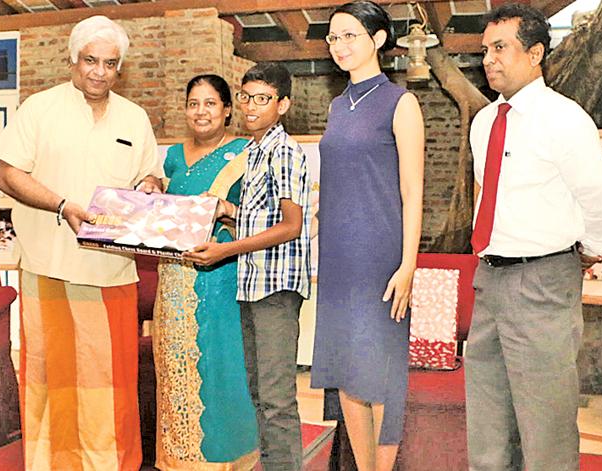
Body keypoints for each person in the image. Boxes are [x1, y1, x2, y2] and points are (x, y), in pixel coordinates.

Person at [0, 15, 162, 471]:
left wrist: (147, 186)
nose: (99, 72)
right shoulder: (39, 109)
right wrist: (61, 203)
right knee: (53, 382)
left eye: (109, 63)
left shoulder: (134, 117)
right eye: (90, 61)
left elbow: (150, 174)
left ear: (119, 67)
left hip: (113, 271)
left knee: (113, 384)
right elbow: (7, 175)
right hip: (50, 267)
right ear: (73, 58)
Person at [468, 4, 602, 470]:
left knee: (546, 434)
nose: (489, 59)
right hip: (488, 280)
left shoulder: (564, 119)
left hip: (542, 281)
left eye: (501, 48)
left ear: (535, 53)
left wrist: (589, 252)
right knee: (487, 428)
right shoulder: (483, 122)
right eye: (484, 50)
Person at [310, 2, 425, 470]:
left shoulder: (402, 102)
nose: (339, 46)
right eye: (333, 38)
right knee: (346, 372)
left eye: (350, 35)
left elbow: (413, 191)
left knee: (380, 376)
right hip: (338, 253)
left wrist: (409, 264)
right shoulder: (338, 106)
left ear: (378, 40)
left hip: (381, 255)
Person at [184, 63, 312, 471]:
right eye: (245, 97)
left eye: (263, 99)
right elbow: (261, 219)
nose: (251, 107)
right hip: (251, 283)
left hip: (275, 288)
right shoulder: (253, 151)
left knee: (276, 400)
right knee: (257, 392)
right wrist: (227, 212)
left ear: (283, 104)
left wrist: (227, 249)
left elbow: (291, 226)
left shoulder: (285, 150)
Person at [153, 74, 258, 470]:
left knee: (221, 369)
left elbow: (262, 219)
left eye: (210, 103)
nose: (201, 111)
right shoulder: (174, 157)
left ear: (228, 109)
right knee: (176, 368)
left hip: (220, 278)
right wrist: (149, 188)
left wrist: (228, 210)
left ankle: (227, 459)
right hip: (173, 279)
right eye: (194, 103)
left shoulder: (245, 153)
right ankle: (179, 459)